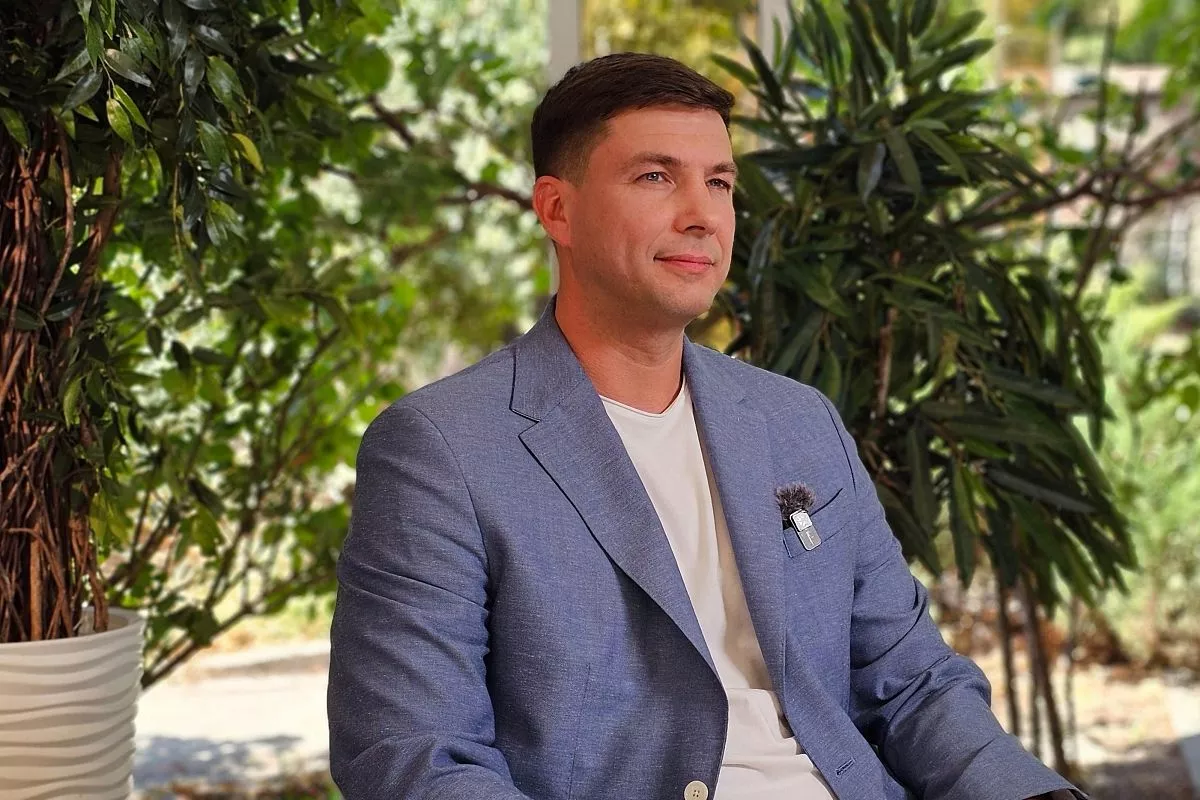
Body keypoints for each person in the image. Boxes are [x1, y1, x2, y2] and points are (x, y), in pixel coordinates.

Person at [327, 52, 1084, 800]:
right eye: (656, 177)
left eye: (719, 182)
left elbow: (913, 682)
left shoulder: (799, 422)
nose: (702, 214)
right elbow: (415, 757)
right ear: (557, 210)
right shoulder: (442, 450)